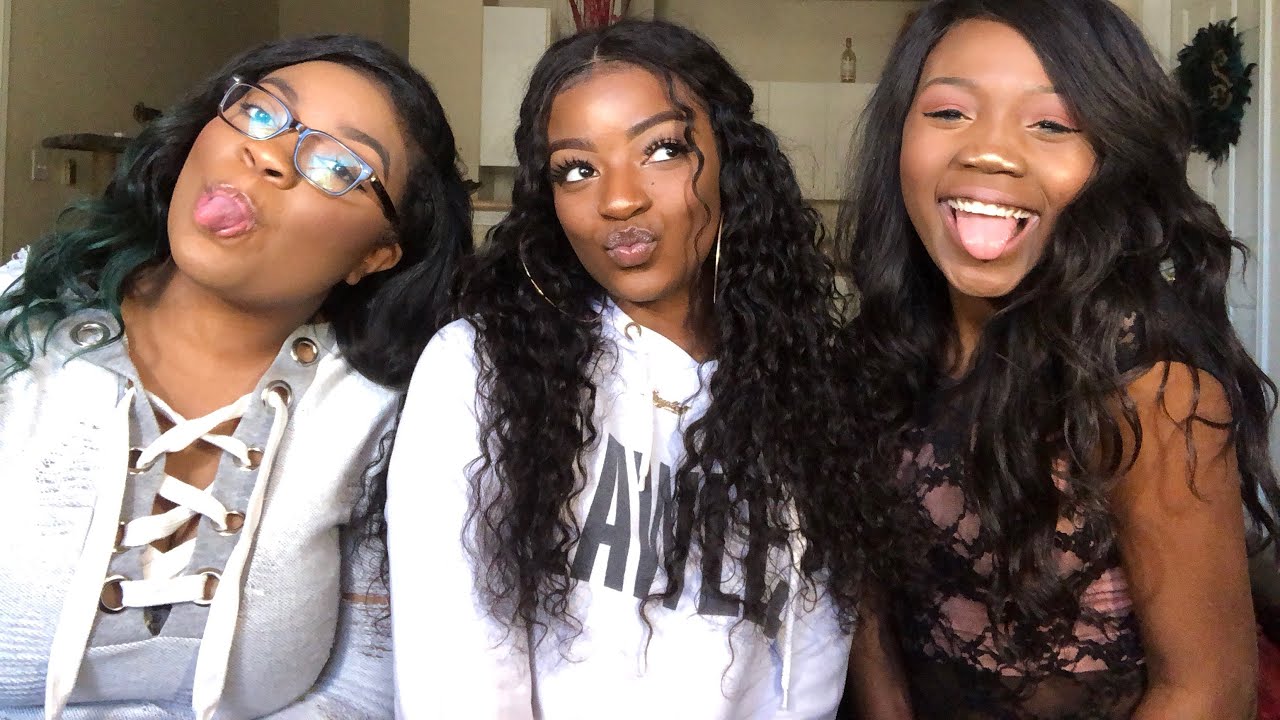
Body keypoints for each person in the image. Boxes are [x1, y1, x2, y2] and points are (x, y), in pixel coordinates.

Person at [387, 18, 876, 720]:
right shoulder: (481, 368)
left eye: (662, 150)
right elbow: (456, 672)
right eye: (577, 169)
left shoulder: (806, 386)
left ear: (732, 161)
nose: (619, 199)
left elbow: (812, 655)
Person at [0, 34, 471, 719]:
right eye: (261, 112)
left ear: (374, 255)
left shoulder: (387, 417)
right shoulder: (19, 332)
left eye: (338, 164)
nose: (269, 155)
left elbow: (367, 688)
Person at [839, 1, 1280, 718]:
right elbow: (868, 619)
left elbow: (1207, 691)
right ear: (899, 138)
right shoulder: (872, 359)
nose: (990, 151)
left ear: (1112, 160)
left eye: (1051, 124)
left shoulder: (1150, 389)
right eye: (948, 112)